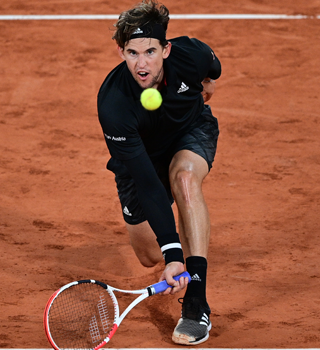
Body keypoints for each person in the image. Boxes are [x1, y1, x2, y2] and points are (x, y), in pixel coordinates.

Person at [97, 0, 221, 345]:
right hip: (141, 161)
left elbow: (213, 67)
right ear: (122, 53)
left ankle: (196, 302)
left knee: (184, 179)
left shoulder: (190, 55)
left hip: (189, 132)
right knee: (149, 255)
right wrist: (171, 254)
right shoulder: (114, 106)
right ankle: (185, 246)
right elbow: (149, 186)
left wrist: (208, 81)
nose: (142, 64)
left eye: (150, 51)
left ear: (166, 49)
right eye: (133, 53)